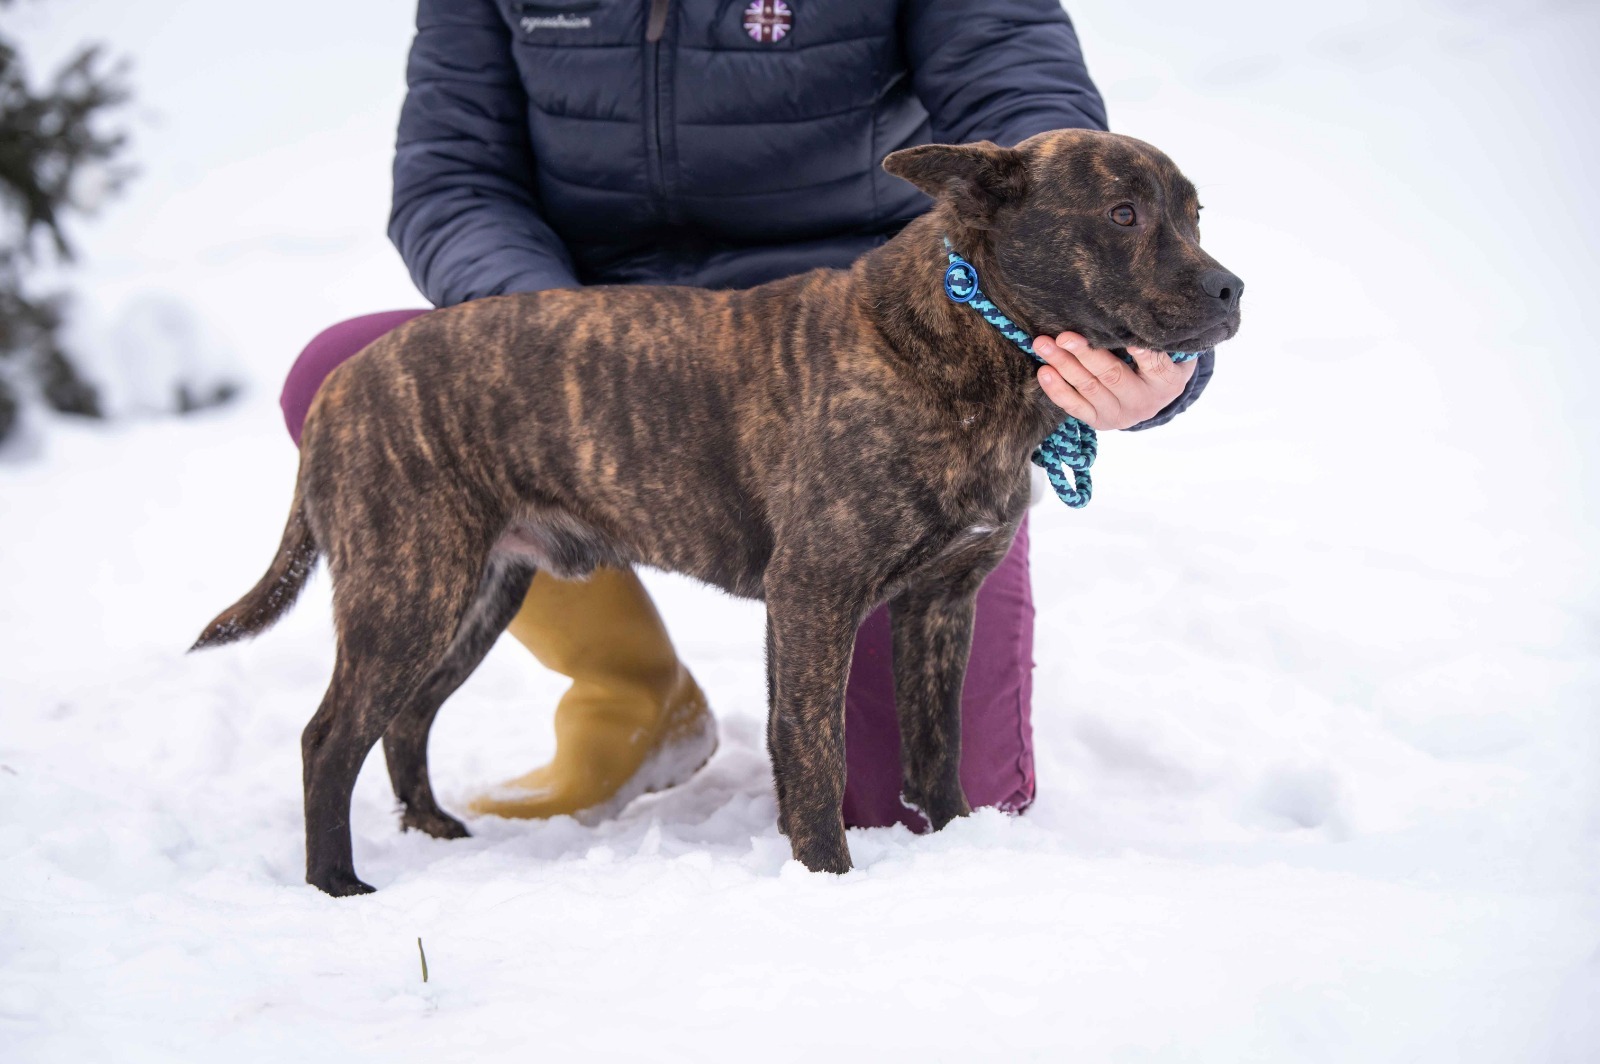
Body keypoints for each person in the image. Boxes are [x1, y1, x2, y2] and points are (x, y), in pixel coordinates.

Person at [279, 0, 1212, 831]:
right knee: (350, 379)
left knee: (930, 813)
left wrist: (1142, 327)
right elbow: (455, 177)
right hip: (614, 337)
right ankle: (628, 695)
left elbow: (1024, 97)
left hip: (876, 356)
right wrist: (561, 345)